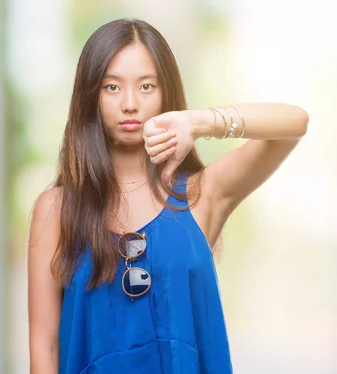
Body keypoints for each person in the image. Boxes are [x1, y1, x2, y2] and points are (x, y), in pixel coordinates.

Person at [26, 18, 308, 374]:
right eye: (112, 87)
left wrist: (201, 122)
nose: (130, 103)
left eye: (146, 86)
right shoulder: (56, 210)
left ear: (166, 93)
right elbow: (45, 348)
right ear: (91, 96)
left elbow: (294, 123)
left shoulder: (201, 195)